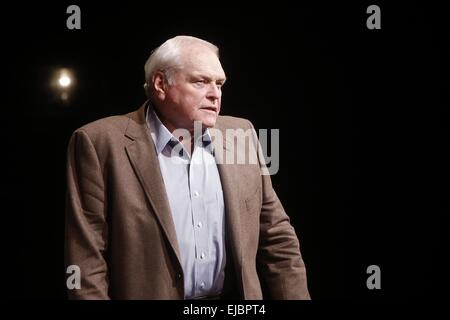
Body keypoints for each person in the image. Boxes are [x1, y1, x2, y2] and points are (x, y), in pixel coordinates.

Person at [65, 35, 310, 300]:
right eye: (200, 81)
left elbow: (277, 237)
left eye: (219, 83)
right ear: (161, 84)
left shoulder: (242, 134)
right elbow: (87, 261)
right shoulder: (99, 142)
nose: (215, 94)